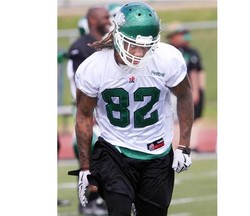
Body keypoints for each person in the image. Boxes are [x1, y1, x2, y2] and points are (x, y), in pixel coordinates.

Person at [73, 2, 194, 216]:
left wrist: (183, 145)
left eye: (146, 46)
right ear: (118, 36)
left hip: (157, 152)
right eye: (133, 45)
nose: (139, 52)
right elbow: (83, 115)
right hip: (114, 150)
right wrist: (85, 168)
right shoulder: (94, 67)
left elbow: (184, 95)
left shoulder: (167, 58)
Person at [66, 6, 111, 216]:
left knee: (108, 159)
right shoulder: (81, 46)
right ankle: (88, 202)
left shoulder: (106, 45)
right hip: (88, 111)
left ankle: (101, 200)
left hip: (105, 113)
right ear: (93, 20)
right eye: (105, 17)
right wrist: (87, 112)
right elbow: (79, 83)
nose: (109, 20)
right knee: (89, 159)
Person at [167, 28, 206, 121]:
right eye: (178, 34)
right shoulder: (167, 51)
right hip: (170, 89)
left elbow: (195, 71)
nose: (182, 37)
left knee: (190, 118)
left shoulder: (189, 52)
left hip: (185, 88)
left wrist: (197, 90)